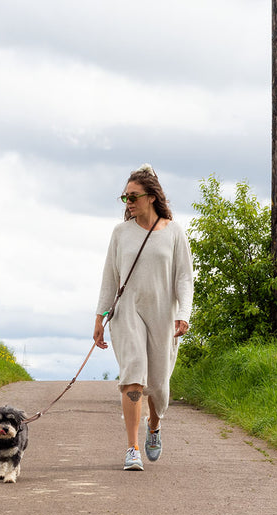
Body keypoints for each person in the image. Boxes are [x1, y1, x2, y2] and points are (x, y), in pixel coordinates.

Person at [94, 164, 194, 471]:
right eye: (124, 197)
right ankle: (132, 448)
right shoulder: (120, 233)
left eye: (133, 196)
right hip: (127, 313)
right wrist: (99, 318)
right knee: (133, 375)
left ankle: (155, 425)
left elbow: (184, 278)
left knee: (159, 385)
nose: (128, 202)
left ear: (151, 197)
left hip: (163, 314)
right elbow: (110, 277)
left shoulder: (175, 232)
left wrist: (183, 313)